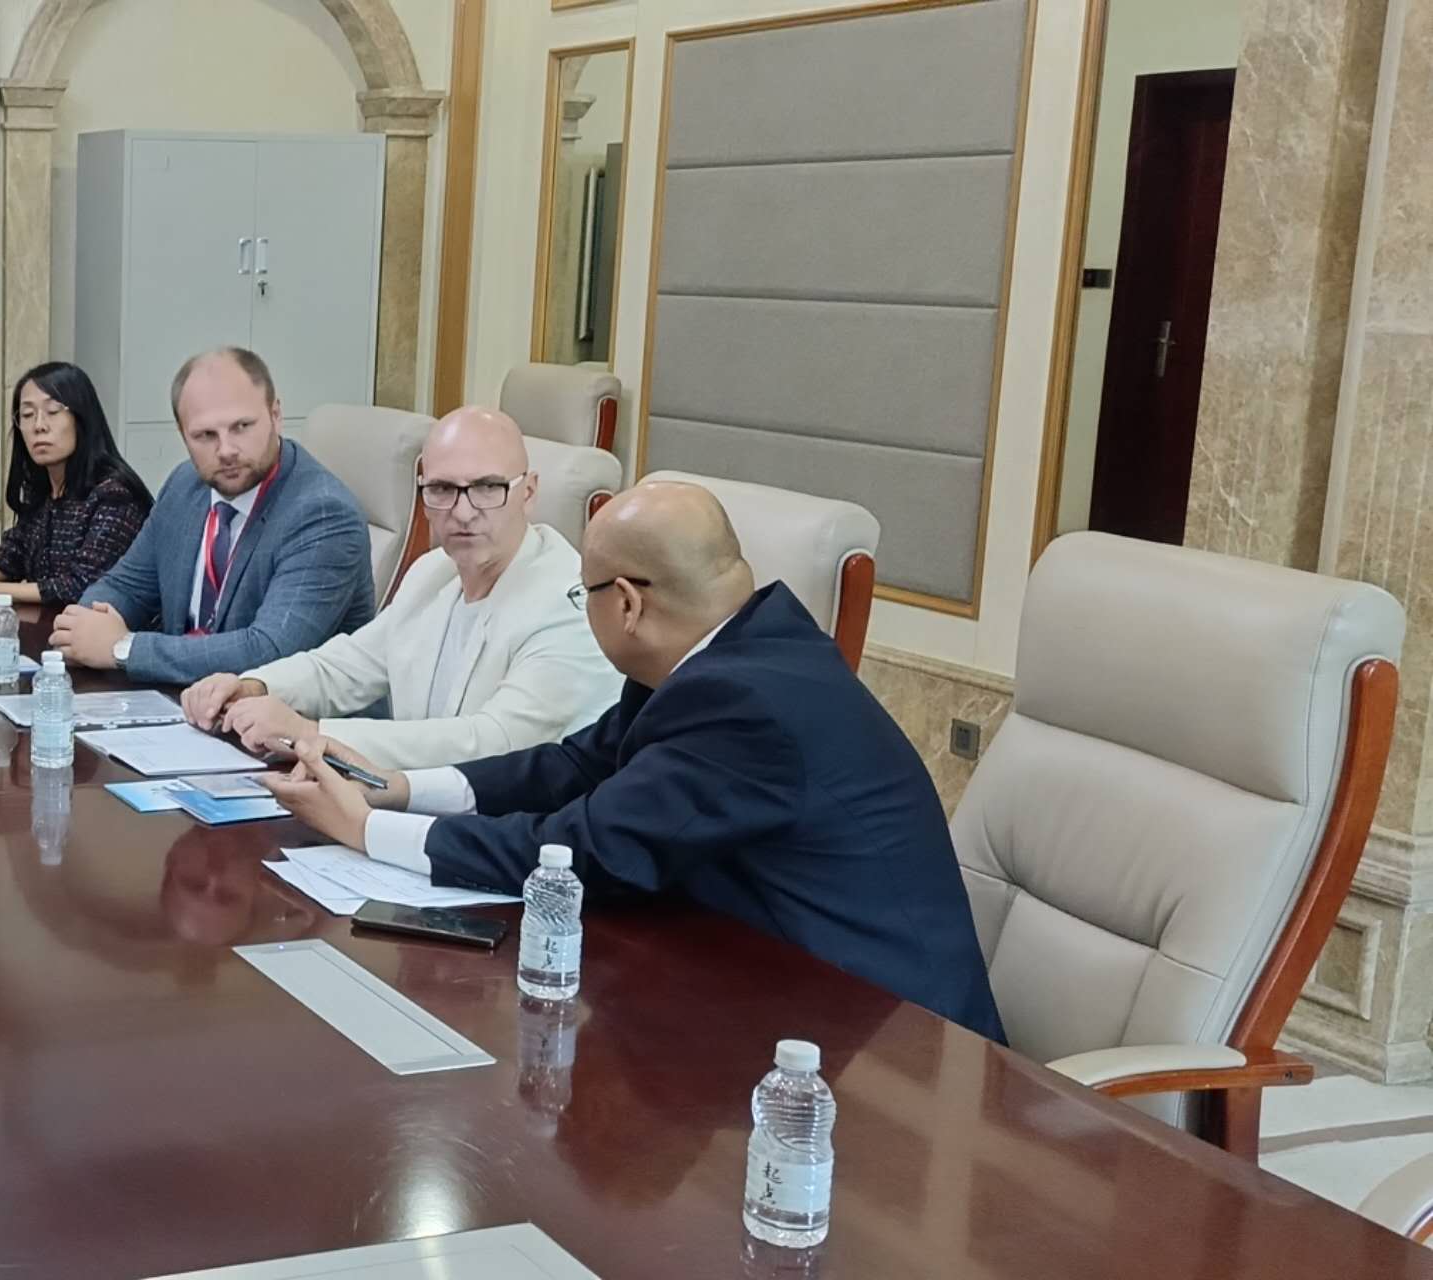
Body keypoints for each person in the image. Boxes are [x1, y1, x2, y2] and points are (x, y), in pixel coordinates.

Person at [260, 481, 1006, 1042]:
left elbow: (584, 852)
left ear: (625, 603)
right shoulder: (729, 650)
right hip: (764, 984)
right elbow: (576, 767)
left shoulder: (745, 704)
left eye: (580, 594)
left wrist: (363, 831)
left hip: (891, 1043)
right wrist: (399, 789)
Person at [178, 407, 620, 768]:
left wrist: (312, 734)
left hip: (525, 833)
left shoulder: (570, 604)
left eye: (488, 488)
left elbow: (493, 743)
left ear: (530, 492)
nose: (463, 512)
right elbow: (346, 666)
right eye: (442, 489)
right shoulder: (434, 572)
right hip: (423, 811)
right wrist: (254, 686)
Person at [49, 347, 376, 686]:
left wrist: (123, 648)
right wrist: (86, 627)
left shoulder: (323, 514)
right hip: (184, 700)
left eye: (242, 426)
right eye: (205, 435)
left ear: (276, 415)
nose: (226, 450)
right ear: (182, 434)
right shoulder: (185, 484)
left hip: (288, 714)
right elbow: (125, 586)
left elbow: (270, 651)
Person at [0, 361, 153, 607]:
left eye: (53, 411)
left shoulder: (115, 495)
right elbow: (14, 553)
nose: (39, 426)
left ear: (82, 418)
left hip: (112, 629)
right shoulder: (44, 490)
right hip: (55, 626)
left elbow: (82, 586)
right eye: (27, 415)